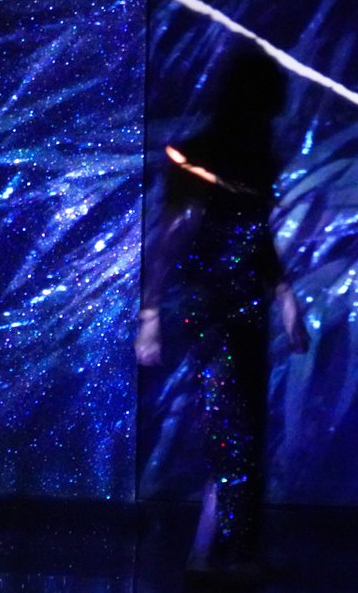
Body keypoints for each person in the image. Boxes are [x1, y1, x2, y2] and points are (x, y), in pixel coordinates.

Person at [135, 48, 309, 580]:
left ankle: (215, 551)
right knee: (233, 429)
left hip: (244, 306)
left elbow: (257, 236)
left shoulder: (256, 157)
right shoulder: (202, 155)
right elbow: (171, 237)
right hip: (211, 307)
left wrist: (285, 299)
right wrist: (150, 315)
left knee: (239, 429)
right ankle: (226, 555)